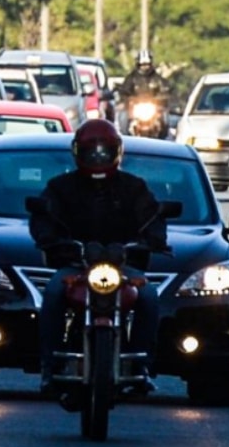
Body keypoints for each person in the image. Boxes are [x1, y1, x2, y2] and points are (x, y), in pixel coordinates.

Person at [28, 119, 166, 397]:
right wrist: (57, 242)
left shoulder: (135, 187)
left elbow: (153, 218)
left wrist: (147, 242)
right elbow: (43, 218)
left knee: (149, 297)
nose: (98, 157)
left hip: (122, 265)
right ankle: (49, 365)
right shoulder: (60, 187)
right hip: (75, 264)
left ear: (117, 152)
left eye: (105, 151)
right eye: (91, 151)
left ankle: (142, 366)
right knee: (54, 292)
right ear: (77, 152)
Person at [116, 50, 171, 127]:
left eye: (147, 65)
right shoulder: (131, 78)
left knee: (165, 117)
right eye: (142, 65)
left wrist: (161, 97)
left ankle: (162, 136)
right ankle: (125, 135)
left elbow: (165, 90)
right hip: (135, 107)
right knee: (123, 116)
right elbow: (124, 90)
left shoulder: (157, 78)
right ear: (138, 65)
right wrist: (128, 99)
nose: (145, 67)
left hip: (153, 107)